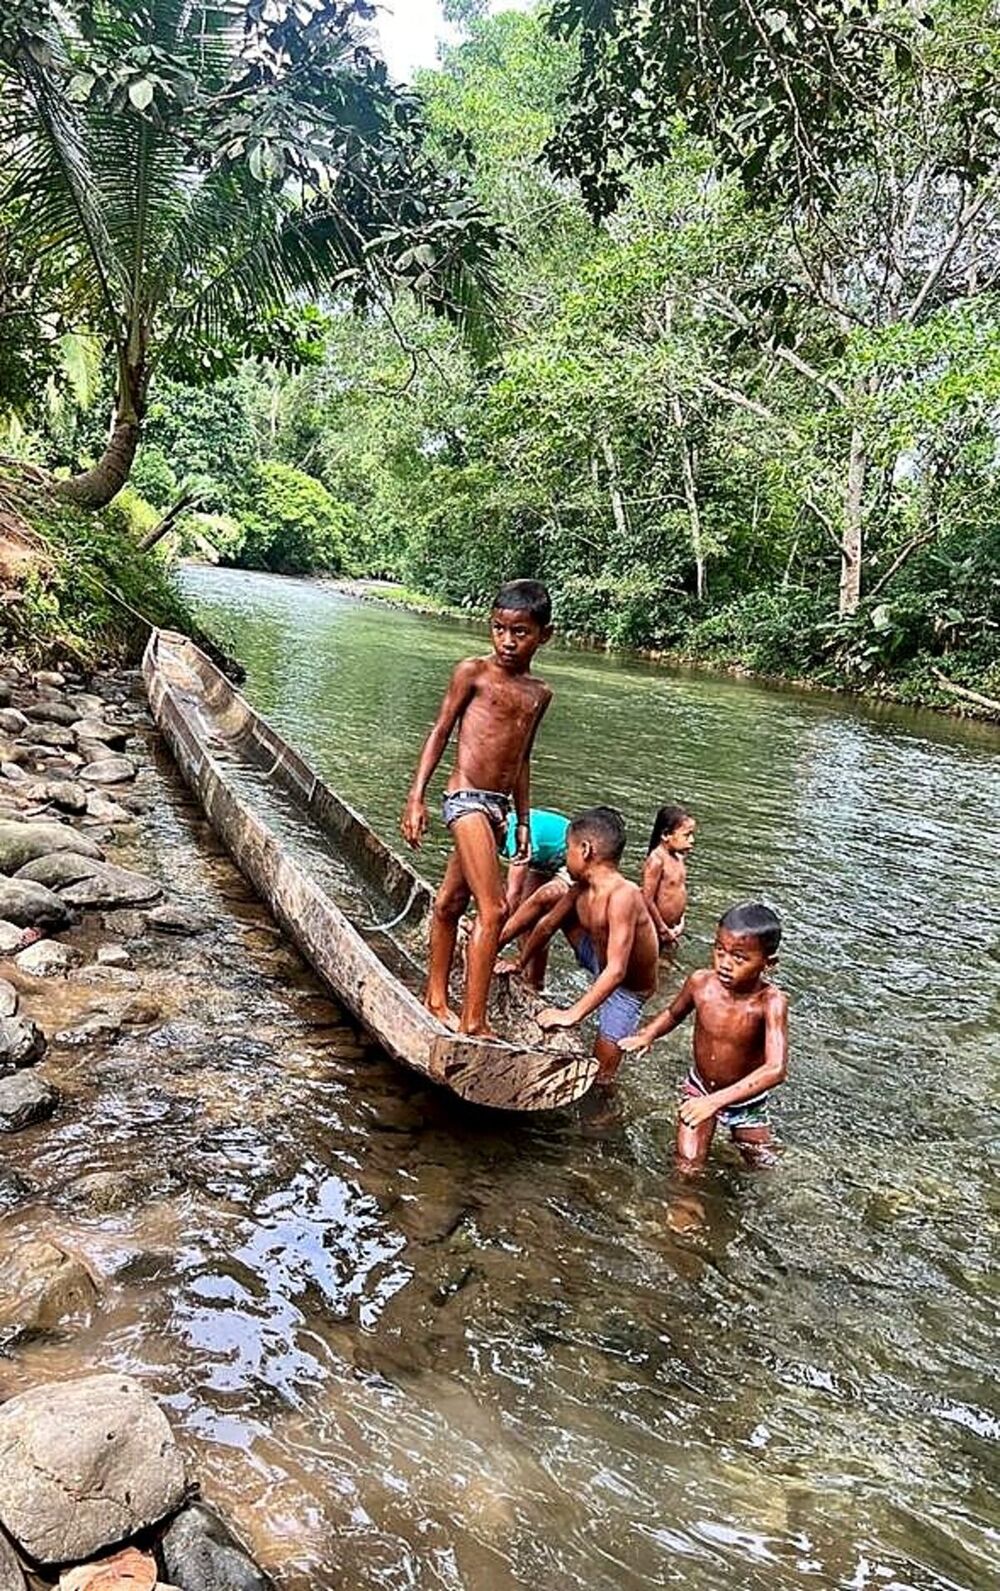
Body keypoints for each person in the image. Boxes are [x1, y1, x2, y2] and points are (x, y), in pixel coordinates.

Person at [401, 578, 553, 1037]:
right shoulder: (473, 673)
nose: (507, 641)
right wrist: (416, 797)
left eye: (520, 632)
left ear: (544, 635)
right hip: (464, 799)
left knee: (449, 903)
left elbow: (523, 758)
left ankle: (435, 998)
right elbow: (441, 731)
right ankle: (474, 1021)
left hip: (497, 808)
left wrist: (523, 820)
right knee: (494, 909)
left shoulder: (538, 694)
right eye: (499, 629)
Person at [620, 902, 788, 1171]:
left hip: (745, 1100)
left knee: (762, 1166)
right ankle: (686, 1207)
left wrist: (716, 1102)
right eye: (719, 950)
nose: (725, 963)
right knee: (687, 1163)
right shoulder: (700, 983)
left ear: (768, 964)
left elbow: (776, 1069)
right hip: (700, 1089)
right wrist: (648, 1034)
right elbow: (674, 1014)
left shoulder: (770, 1002)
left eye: (739, 958)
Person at [497, 806, 658, 1085]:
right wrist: (519, 961)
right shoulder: (580, 887)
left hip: (626, 987)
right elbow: (547, 925)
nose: (564, 855)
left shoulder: (624, 895)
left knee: (600, 1076)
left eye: (568, 849)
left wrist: (572, 1014)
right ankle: (532, 979)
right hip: (596, 956)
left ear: (585, 850)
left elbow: (617, 971)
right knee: (548, 897)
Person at [501, 807, 570, 987]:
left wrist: (490, 937)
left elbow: (512, 893)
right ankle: (527, 972)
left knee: (531, 911)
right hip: (543, 859)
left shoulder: (515, 836)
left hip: (570, 855)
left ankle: (535, 980)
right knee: (526, 915)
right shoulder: (490, 833)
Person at [643, 803, 695, 949]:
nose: (692, 840)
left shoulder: (679, 857)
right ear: (666, 835)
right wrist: (661, 928)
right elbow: (647, 899)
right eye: (687, 835)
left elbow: (679, 891)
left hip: (673, 929)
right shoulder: (656, 861)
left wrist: (681, 921)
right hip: (657, 929)